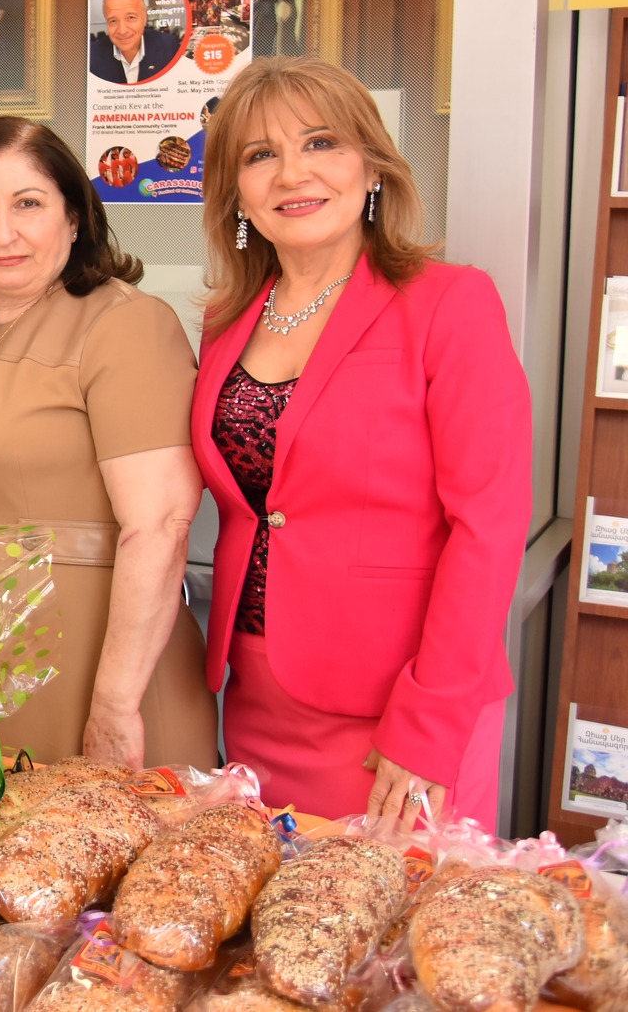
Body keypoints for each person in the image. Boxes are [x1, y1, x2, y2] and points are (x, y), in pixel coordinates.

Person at [192, 57, 528, 827]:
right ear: (235, 190)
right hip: (255, 695)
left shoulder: (449, 304)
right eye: (260, 154)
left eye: (321, 143)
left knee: (384, 937)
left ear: (370, 165)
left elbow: (489, 527)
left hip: (399, 709)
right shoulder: (227, 319)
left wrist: (431, 721)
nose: (292, 173)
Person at [0, 116, 217, 769]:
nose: (3, 232)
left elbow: (161, 524)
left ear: (76, 217)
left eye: (28, 203)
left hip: (96, 673)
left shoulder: (126, 324)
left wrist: (113, 702)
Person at [88, 0, 183, 86]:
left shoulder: (168, 48)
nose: (122, 30)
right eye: (113, 21)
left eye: (131, 17)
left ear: (144, 17)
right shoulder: (91, 58)